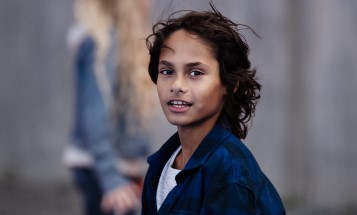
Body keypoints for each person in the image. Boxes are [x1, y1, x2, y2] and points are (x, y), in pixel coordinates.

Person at [141, 3, 286, 214]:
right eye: (167, 71)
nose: (177, 85)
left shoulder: (228, 170)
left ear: (229, 84)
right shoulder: (162, 162)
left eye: (195, 73)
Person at [62, 0, 154, 214]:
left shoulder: (116, 40)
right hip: (105, 167)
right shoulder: (102, 41)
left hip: (114, 166)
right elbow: (95, 115)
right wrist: (111, 178)